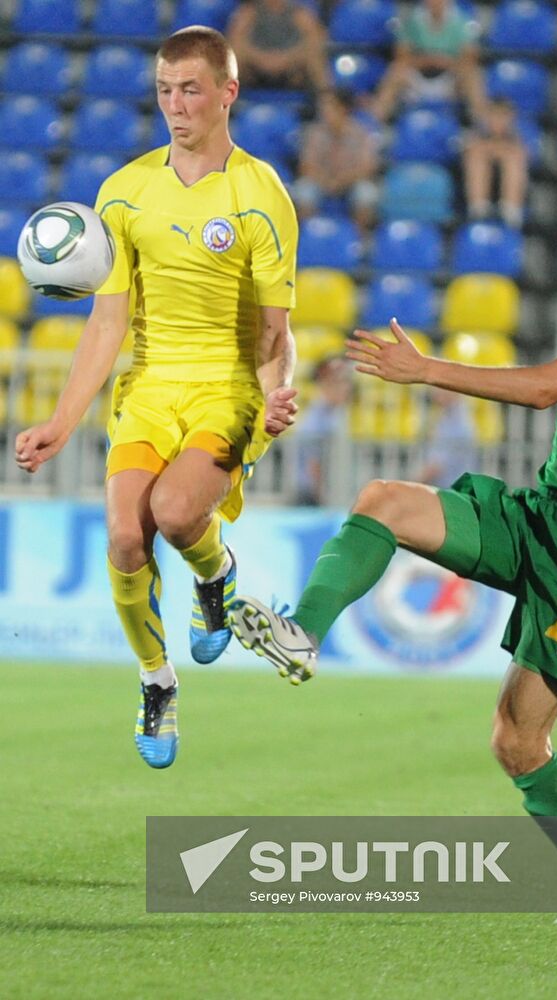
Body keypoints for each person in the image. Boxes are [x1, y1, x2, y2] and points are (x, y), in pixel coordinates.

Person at [228, 180, 557, 925]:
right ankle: (301, 634)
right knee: (383, 500)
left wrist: (428, 370)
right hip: (543, 515)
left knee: (517, 739)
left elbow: (545, 390)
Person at [14, 27, 299, 770]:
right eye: (165, 91)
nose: (176, 106)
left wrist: (278, 397)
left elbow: (277, 332)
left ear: (227, 93)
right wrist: (61, 420)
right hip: (149, 390)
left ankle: (216, 575)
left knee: (176, 513)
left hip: (229, 390)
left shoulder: (260, 195)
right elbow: (108, 321)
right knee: (125, 538)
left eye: (192, 90)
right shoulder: (124, 191)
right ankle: (156, 681)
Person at [371, 0, 486, 124]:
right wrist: (428, 60)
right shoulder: (412, 21)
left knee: (472, 74)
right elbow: (401, 55)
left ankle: (482, 123)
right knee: (396, 71)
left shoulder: (463, 21)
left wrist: (444, 62)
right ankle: (373, 122)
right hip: (418, 77)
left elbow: (470, 58)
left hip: (450, 79)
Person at [293, 88, 381, 230]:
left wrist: (341, 181)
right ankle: (306, 237)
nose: (323, 111)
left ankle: (359, 240)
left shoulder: (361, 133)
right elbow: (306, 166)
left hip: (351, 182)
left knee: (366, 193)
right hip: (320, 181)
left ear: (342, 109)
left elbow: (367, 168)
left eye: (328, 107)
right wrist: (325, 181)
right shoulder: (314, 133)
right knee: (303, 191)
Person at [226, 0, 330, 93]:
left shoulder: (299, 14)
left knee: (314, 56)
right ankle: (224, 104)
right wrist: (262, 58)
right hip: (256, 69)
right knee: (235, 53)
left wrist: (285, 58)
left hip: (292, 71)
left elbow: (316, 40)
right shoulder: (249, 13)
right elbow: (235, 40)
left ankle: (327, 100)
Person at [294, 355, 352, 506]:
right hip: (312, 496)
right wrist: (323, 498)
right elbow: (313, 464)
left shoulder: (336, 413)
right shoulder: (315, 419)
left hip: (329, 492)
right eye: (338, 382)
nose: (346, 387)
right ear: (325, 384)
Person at [462, 97, 529, 226]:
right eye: (494, 115)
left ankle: (511, 211)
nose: (498, 121)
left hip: (514, 185)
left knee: (513, 159)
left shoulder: (522, 133)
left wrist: (495, 150)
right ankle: (478, 210)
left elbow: (524, 152)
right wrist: (496, 150)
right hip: (481, 179)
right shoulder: (475, 133)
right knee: (476, 158)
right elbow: (469, 149)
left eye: (502, 116)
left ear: (511, 118)